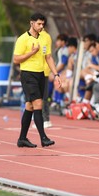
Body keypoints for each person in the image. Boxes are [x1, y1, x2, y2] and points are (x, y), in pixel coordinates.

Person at [13, 13, 61, 148]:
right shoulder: (23, 39)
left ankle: (22, 138)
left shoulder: (44, 38)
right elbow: (16, 59)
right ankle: (43, 138)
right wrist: (31, 52)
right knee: (38, 103)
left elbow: (49, 57)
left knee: (30, 106)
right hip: (28, 74)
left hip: (41, 75)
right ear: (31, 23)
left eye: (43, 24)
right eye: (39, 24)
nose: (41, 26)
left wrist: (56, 74)